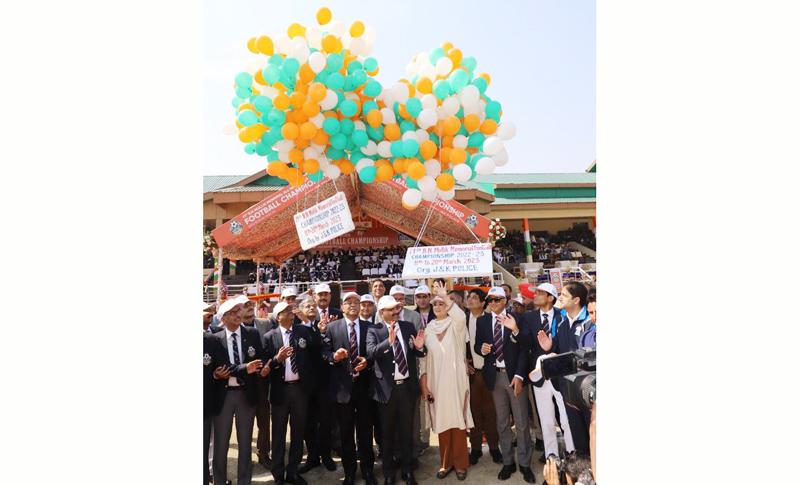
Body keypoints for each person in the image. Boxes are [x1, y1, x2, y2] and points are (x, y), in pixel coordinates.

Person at [473, 287, 536, 483]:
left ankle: (525, 463)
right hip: (494, 377)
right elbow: (477, 345)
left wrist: (515, 329)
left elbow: (526, 347)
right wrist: (482, 348)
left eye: (496, 299)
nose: (492, 303)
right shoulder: (482, 321)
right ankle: (508, 461)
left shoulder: (518, 317)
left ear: (505, 300)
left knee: (522, 422)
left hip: (514, 376)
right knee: (502, 423)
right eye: (489, 300)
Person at [262, 301, 326, 485]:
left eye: (291, 309)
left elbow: (316, 343)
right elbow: (266, 364)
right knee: (279, 434)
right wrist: (277, 358)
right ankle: (278, 474)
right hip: (280, 392)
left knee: (298, 432)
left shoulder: (302, 331)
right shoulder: (269, 337)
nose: (291, 312)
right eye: (286, 310)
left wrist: (307, 321)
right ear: (277, 316)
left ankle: (293, 471)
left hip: (300, 390)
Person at [367, 296, 427, 485]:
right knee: (387, 434)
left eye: (397, 308)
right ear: (381, 312)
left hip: (407, 389)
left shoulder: (408, 327)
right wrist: (389, 342)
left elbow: (418, 352)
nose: (395, 312)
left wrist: (420, 348)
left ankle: (408, 471)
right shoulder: (374, 330)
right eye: (391, 309)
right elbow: (370, 354)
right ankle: (388, 473)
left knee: (407, 431)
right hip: (386, 392)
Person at [211, 299, 270, 485]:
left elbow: (260, 358)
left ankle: (245, 480)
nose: (238, 315)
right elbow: (222, 366)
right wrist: (245, 368)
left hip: (246, 394)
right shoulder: (215, 338)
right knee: (221, 443)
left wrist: (262, 368)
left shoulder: (252, 333)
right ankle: (219, 480)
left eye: (239, 311)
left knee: (245, 443)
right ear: (224, 317)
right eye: (234, 312)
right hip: (224, 396)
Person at [322, 292, 378, 485]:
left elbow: (374, 355)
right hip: (342, 390)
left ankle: (368, 470)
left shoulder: (369, 327)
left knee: (365, 432)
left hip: (364, 388)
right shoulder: (331, 327)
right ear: (342, 306)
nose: (353, 305)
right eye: (349, 302)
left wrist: (367, 362)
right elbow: (324, 352)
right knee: (346, 434)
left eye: (357, 302)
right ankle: (350, 471)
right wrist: (334, 357)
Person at [419, 288, 472, 481]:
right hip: (436, 383)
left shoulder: (456, 324)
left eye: (442, 303)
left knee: (457, 422)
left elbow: (459, 316)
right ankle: (445, 463)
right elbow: (423, 360)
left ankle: (460, 464)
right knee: (442, 424)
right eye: (436, 304)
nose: (438, 306)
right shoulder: (428, 329)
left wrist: (444, 296)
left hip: (456, 381)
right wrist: (424, 384)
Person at [522, 283, 576, 462]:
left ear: (551, 297)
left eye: (539, 293)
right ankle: (551, 459)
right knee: (546, 422)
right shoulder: (528, 317)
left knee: (567, 421)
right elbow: (525, 344)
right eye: (535, 293)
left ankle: (571, 457)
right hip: (539, 377)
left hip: (561, 376)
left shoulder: (563, 316)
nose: (535, 295)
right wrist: (515, 330)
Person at [537, 282, 593, 453]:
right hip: (569, 389)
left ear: (576, 300)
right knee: (577, 434)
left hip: (589, 389)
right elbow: (560, 350)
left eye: (563, 295)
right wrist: (550, 349)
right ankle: (583, 474)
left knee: (594, 434)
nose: (559, 298)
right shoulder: (560, 320)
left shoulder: (591, 322)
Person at [301, 283, 342, 474]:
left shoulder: (337, 313)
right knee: (309, 420)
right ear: (314, 296)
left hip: (329, 377)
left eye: (327, 294)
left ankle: (326, 455)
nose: (324, 297)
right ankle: (312, 456)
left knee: (327, 420)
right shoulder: (304, 316)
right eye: (320, 294)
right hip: (308, 379)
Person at [234, 295, 275, 470]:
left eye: (250, 303)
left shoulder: (265, 323)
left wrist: (266, 364)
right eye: (245, 305)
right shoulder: (231, 328)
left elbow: (269, 347)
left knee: (264, 418)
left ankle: (263, 452)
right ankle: (244, 456)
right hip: (241, 382)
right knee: (244, 420)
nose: (250, 306)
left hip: (262, 380)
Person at [464, 289, 501, 465]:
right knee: (474, 413)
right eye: (468, 297)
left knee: (491, 413)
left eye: (474, 297)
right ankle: (476, 448)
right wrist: (465, 360)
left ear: (482, 302)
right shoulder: (462, 320)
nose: (470, 300)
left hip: (488, 372)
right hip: (471, 374)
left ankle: (494, 447)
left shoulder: (489, 320)